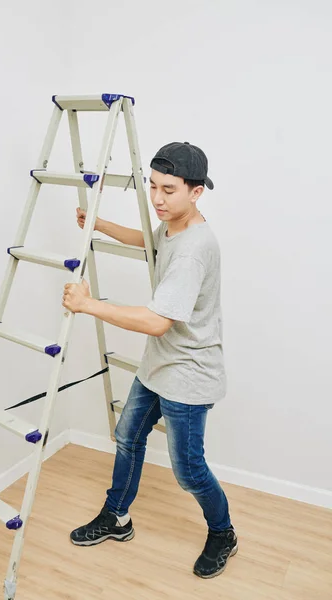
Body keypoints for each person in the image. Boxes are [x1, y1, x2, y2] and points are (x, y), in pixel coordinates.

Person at [62, 142, 238, 579]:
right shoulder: (176, 226)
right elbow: (151, 242)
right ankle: (116, 517)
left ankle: (224, 532)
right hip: (160, 364)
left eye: (170, 190)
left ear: (196, 193)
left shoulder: (196, 248)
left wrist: (89, 305)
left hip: (188, 375)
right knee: (128, 437)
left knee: (189, 471)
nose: (158, 199)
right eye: (153, 186)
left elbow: (158, 321)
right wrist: (101, 225)